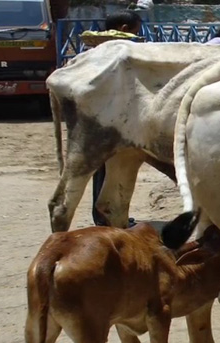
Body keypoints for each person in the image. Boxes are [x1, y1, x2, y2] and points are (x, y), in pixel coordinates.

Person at [91, 10, 143, 227]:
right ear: (123, 30)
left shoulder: (92, 51)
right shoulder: (114, 54)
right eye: (135, 32)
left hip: (99, 119)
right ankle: (104, 218)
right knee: (108, 171)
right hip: (109, 120)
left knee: (107, 171)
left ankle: (108, 215)